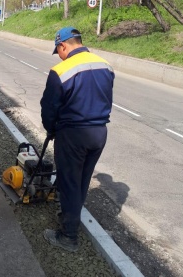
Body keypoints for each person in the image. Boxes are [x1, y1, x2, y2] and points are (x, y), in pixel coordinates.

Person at [40, 26, 115, 252]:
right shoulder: (105, 65)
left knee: (70, 183)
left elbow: (49, 107)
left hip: (74, 134)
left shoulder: (61, 71)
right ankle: (69, 214)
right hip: (99, 133)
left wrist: (51, 129)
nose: (59, 55)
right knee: (81, 181)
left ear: (63, 45)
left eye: (58, 51)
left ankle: (68, 237)